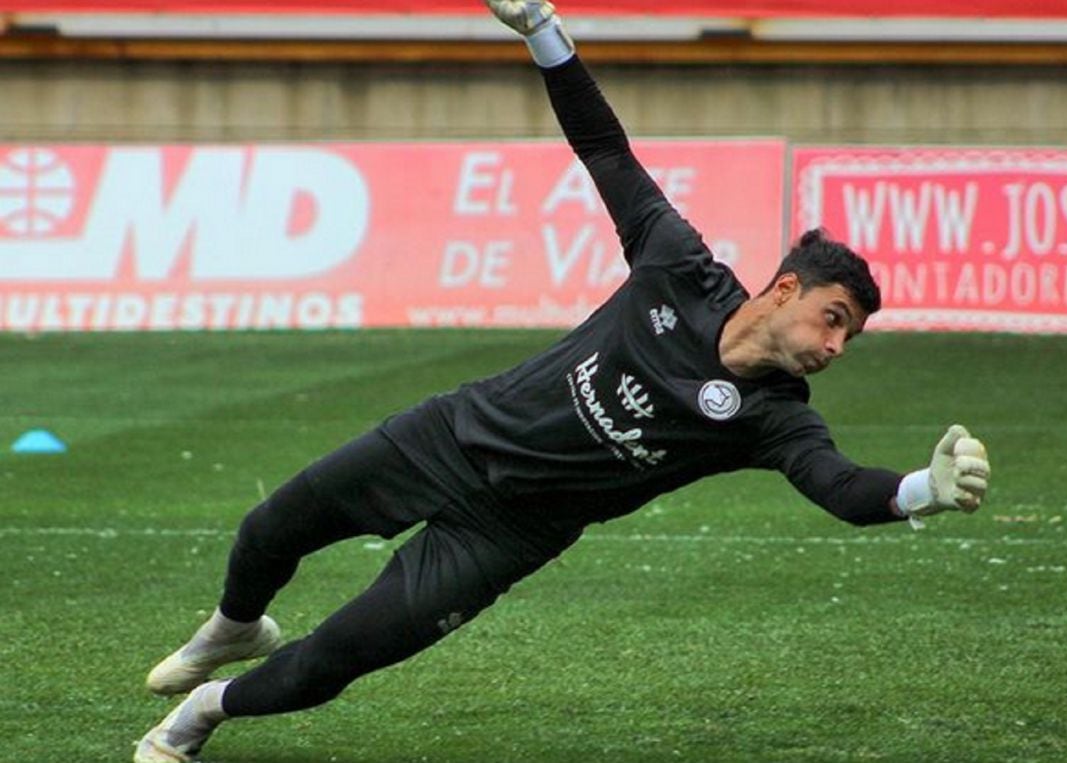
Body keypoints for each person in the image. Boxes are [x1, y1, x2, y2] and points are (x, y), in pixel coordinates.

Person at [133, 2, 992, 761]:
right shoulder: (677, 264)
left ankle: (198, 718)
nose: (837, 346)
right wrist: (544, 30)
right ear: (786, 289)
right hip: (452, 437)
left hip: (506, 532)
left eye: (853, 336)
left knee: (334, 659)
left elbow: (841, 487)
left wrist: (923, 489)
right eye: (836, 318)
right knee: (270, 526)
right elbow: (605, 151)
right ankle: (234, 628)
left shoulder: (771, 418)